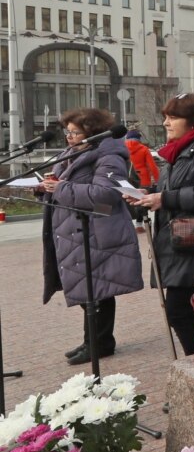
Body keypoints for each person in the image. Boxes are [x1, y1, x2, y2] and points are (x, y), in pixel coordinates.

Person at [131, 94, 194, 356]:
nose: (166, 123)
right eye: (166, 117)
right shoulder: (180, 149)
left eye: (173, 117)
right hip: (181, 242)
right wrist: (147, 194)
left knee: (182, 311)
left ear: (193, 121)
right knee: (184, 312)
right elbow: (177, 187)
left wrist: (165, 198)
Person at [43, 108, 143, 366]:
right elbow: (64, 185)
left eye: (76, 132)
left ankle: (100, 343)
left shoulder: (109, 156)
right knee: (87, 290)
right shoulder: (72, 153)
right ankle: (92, 340)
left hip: (97, 231)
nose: (69, 137)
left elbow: (105, 195)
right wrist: (45, 189)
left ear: (94, 132)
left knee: (98, 289)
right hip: (76, 231)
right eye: (68, 131)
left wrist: (61, 188)